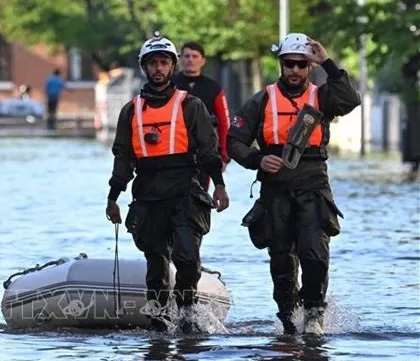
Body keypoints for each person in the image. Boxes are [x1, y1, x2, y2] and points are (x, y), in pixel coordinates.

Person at [227, 33, 361, 335]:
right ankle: (289, 319)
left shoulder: (322, 97)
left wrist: (327, 62)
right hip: (275, 192)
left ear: (309, 67)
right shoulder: (260, 100)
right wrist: (257, 159)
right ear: (281, 64)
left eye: (302, 65)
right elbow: (234, 141)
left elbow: (351, 99)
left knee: (315, 254)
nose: (295, 71)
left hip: (313, 186)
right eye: (290, 64)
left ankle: (314, 313)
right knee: (282, 264)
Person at [105, 33, 230, 333]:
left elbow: (209, 151)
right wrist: (113, 197)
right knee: (156, 264)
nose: (158, 69)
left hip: (186, 190)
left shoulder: (191, 105)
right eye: (153, 64)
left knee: (187, 258)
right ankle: (159, 321)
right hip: (148, 194)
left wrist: (220, 186)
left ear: (172, 67)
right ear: (144, 68)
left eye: (164, 63)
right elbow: (123, 158)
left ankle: (187, 312)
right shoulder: (130, 111)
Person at [174, 41, 232, 191]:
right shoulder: (171, 84)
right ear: (180, 59)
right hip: (174, 152)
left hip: (203, 151)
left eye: (194, 56)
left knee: (200, 197)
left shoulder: (213, 87)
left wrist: (224, 154)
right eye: (186, 56)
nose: (190, 60)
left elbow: (224, 122)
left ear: (203, 60)